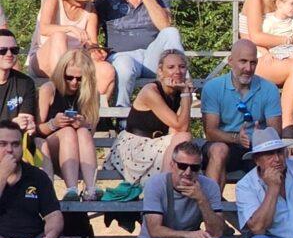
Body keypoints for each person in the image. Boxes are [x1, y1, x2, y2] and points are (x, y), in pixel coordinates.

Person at [99, 0, 186, 109]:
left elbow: (165, 25)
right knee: (124, 66)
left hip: (153, 56)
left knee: (172, 32)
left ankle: (185, 91)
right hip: (122, 56)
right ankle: (122, 115)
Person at [105, 48, 195, 188]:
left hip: (159, 144)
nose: (177, 71)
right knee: (184, 138)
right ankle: (163, 188)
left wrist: (185, 95)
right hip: (136, 147)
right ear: (160, 71)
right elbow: (181, 126)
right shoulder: (150, 91)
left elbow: (179, 129)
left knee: (184, 142)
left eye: (182, 67)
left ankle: (169, 188)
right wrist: (186, 94)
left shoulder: (179, 93)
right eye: (171, 67)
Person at [201, 40, 283, 183]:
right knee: (219, 150)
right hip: (224, 143)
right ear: (230, 61)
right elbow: (210, 132)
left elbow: (275, 132)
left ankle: (271, 195)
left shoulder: (269, 89)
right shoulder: (213, 87)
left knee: (272, 155)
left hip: (257, 146)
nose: (248, 68)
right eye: (243, 61)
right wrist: (237, 138)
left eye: (253, 63)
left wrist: (261, 136)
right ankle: (212, 197)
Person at [31, 0, 116, 97]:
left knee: (107, 70)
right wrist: (69, 28)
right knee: (59, 36)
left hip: (77, 61)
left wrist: (96, 51)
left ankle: (91, 107)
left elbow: (91, 43)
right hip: (45, 58)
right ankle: (61, 98)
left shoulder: (91, 10)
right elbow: (44, 28)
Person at [36, 48, 102, 199]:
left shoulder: (91, 94)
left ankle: (91, 188)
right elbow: (38, 130)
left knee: (83, 132)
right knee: (68, 131)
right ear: (61, 73)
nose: (74, 82)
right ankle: (71, 189)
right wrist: (54, 123)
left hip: (78, 151)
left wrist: (84, 124)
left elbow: (91, 133)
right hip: (49, 150)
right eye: (69, 77)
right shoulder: (49, 89)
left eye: (80, 79)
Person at [0, 30, 37, 154]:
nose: (9, 54)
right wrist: (11, 125)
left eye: (14, 50)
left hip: (16, 141)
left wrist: (29, 126)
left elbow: (26, 118)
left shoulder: (25, 83)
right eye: (2, 50)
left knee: (41, 144)